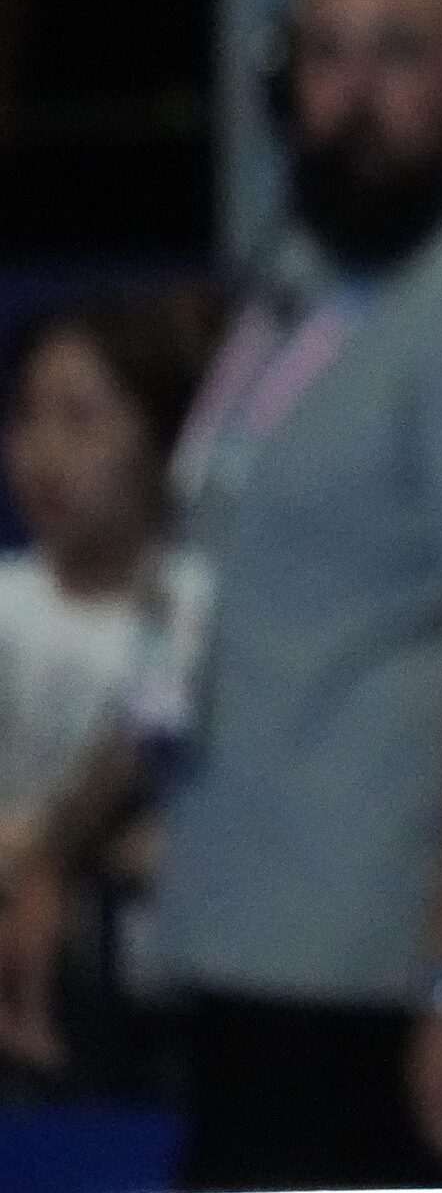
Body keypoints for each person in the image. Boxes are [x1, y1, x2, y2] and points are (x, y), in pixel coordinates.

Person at [0, 0, 442, 1188]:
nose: (353, 95)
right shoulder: (315, 270)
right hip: (257, 947)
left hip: (383, 984)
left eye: (402, 54)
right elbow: (208, 604)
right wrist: (59, 847)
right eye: (326, 55)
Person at [0, 297, 209, 874]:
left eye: (80, 417)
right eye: (26, 415)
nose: (45, 454)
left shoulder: (198, 609)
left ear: (166, 440)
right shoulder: (6, 601)